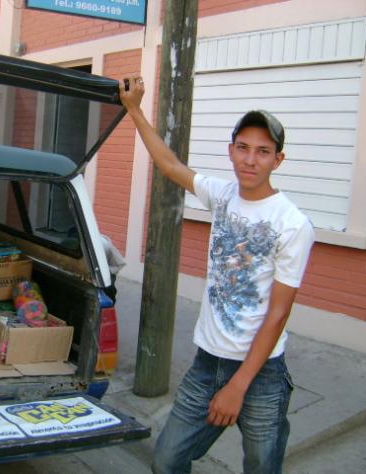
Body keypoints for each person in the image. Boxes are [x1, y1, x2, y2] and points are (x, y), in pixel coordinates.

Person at [119, 76, 315, 474]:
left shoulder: (293, 223)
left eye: (263, 151)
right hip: (207, 364)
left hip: (260, 373)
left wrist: (239, 386)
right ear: (231, 151)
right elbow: (170, 165)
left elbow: (278, 313)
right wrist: (134, 109)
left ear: (278, 160)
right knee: (167, 460)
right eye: (243, 148)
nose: (250, 159)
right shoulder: (222, 195)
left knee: (262, 467)